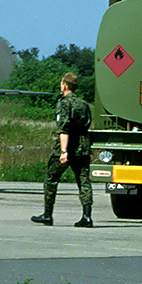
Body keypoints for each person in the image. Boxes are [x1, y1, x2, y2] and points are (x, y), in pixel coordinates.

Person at [31, 71, 93, 227]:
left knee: (51, 178)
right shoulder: (83, 104)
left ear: (65, 85)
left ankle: (47, 214)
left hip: (68, 146)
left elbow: (63, 128)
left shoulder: (64, 103)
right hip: (83, 146)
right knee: (83, 180)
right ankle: (87, 217)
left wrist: (64, 151)